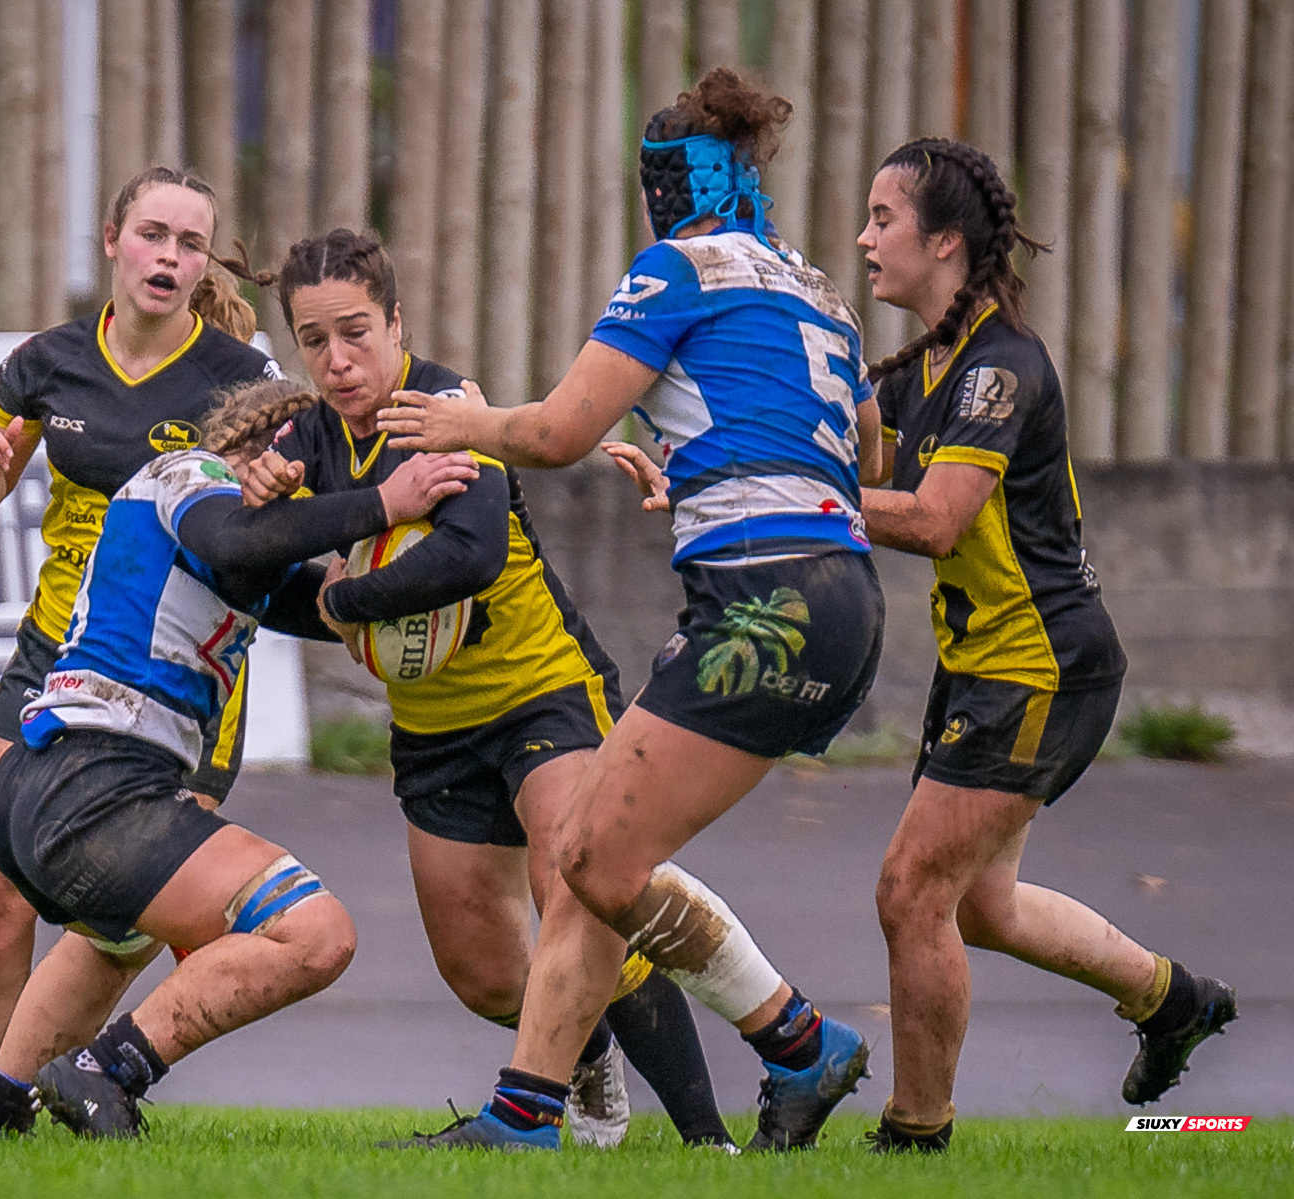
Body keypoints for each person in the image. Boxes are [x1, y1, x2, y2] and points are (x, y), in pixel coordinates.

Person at [374, 69, 883, 1152]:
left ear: (665, 188)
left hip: (763, 599)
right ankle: (528, 1112)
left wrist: (464, 424)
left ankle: (800, 1042)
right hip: (846, 599)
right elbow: (865, 456)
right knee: (595, 852)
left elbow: (556, 432)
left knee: (593, 856)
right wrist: (708, 465)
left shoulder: (677, 270)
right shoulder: (821, 291)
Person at [229, 228, 737, 1150]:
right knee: (481, 972)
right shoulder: (306, 442)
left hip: (542, 692)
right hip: (434, 729)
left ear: (396, 323)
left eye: (356, 332)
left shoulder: (449, 408)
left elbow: (469, 555)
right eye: (314, 340)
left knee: (580, 889)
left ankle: (709, 1143)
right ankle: (580, 1054)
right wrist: (269, 502)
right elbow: (249, 565)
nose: (338, 360)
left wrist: (345, 597)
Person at [0, 378, 481, 1137]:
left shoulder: (236, 543)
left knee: (118, 938)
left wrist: (418, 585)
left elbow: (322, 602)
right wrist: (384, 503)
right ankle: (109, 1069)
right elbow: (235, 541)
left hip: (52, 782)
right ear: (272, 448)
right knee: (315, 932)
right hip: (94, 782)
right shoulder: (190, 474)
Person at [853, 138, 1236, 1153]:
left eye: (883, 219)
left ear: (944, 240)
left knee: (911, 890)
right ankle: (1173, 1000)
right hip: (984, 666)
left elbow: (934, 518)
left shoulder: (1001, 368)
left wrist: (798, 498)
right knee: (980, 907)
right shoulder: (924, 366)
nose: (864, 239)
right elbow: (863, 467)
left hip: (1042, 668)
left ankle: (915, 1137)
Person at [0, 165, 281, 1131]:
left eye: (190, 243)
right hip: (56, 652)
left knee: (121, 912)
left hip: (181, 679)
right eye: (152, 234)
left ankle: (50, 1084)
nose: (169, 257)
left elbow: (273, 522)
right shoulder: (46, 363)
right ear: (112, 239)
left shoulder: (245, 381)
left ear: (205, 264)